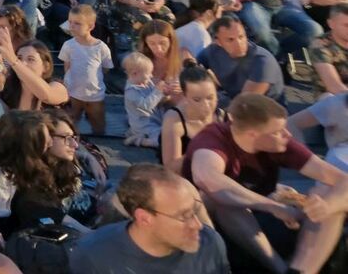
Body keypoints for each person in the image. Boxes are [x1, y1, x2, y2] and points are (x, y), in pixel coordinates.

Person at [186, 93, 348, 274]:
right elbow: (207, 178)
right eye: (278, 131)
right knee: (222, 200)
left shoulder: (280, 143)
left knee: (328, 191)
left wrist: (327, 206)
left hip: (265, 208)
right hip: (208, 218)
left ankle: (301, 270)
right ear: (253, 134)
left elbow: (342, 179)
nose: (287, 134)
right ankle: (280, 268)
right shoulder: (213, 139)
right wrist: (272, 206)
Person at [70, 164, 228, 274]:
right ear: (144, 218)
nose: (198, 225)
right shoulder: (94, 255)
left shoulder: (209, 243)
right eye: (184, 216)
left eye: (195, 211)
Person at [197, 13, 285, 104]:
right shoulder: (213, 51)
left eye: (241, 37)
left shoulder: (262, 61)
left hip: (263, 113)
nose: (239, 44)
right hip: (234, 102)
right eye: (230, 40)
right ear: (218, 42)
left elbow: (244, 104)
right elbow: (194, 66)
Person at [60, 4, 113, 135]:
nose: (72, 26)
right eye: (70, 22)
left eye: (77, 23)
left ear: (90, 26)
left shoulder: (101, 47)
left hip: (95, 95)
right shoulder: (68, 45)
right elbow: (67, 66)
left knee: (98, 124)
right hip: (73, 93)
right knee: (71, 122)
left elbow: (106, 68)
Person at [160, 65, 221, 173]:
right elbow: (171, 168)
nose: (206, 105)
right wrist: (200, 149)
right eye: (197, 99)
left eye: (210, 98)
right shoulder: (174, 119)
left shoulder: (223, 117)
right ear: (185, 97)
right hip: (182, 177)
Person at [122, 51, 164, 147]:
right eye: (149, 73)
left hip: (154, 120)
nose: (151, 76)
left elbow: (155, 96)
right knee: (163, 140)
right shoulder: (131, 91)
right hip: (144, 125)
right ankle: (140, 140)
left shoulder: (145, 82)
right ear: (135, 74)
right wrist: (158, 91)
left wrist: (164, 91)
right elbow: (146, 106)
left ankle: (134, 132)